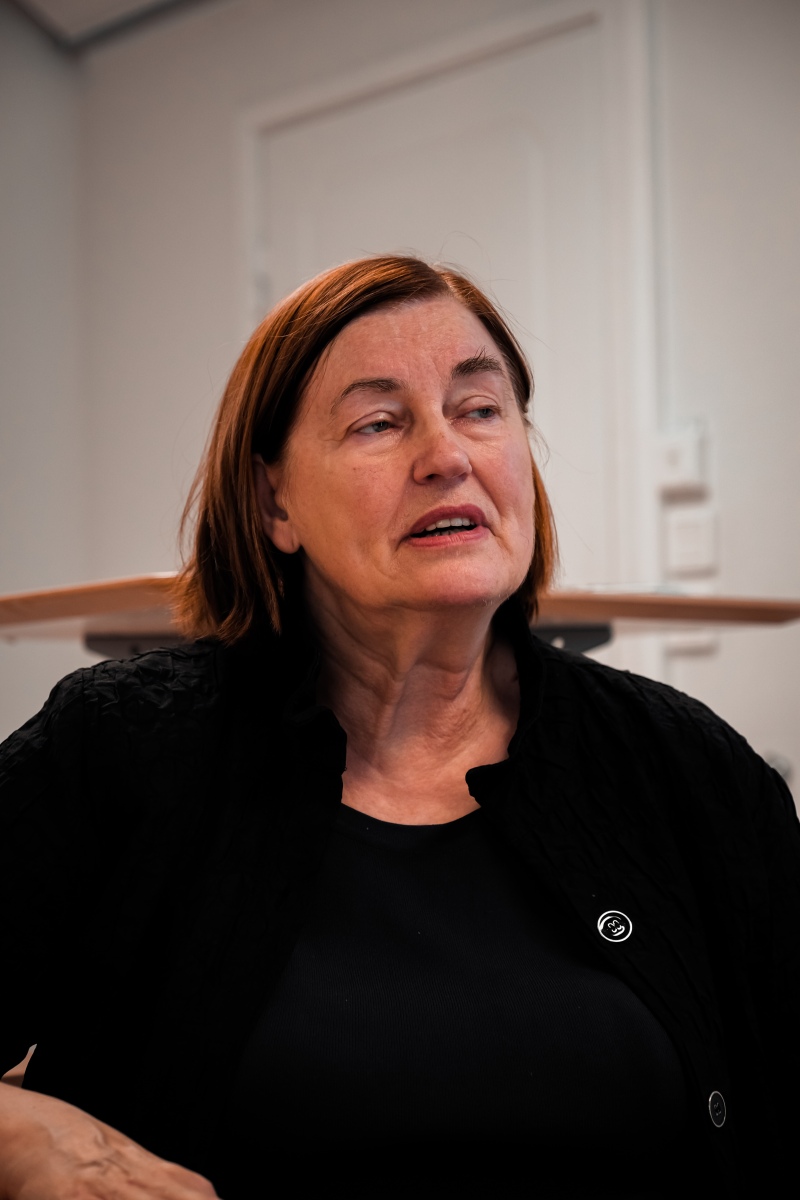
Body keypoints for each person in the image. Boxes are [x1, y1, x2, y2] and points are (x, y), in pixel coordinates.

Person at [1, 255, 798, 1200]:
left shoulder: (687, 768)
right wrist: (32, 1143)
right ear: (274, 503)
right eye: (379, 422)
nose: (447, 456)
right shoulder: (122, 749)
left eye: (480, 409)